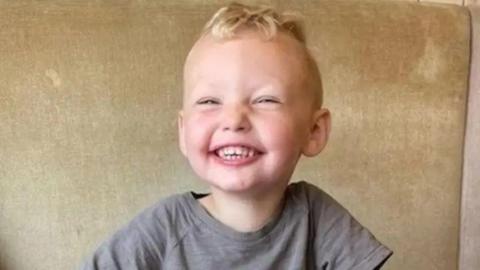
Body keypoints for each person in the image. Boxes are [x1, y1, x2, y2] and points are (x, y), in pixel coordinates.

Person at [80, 2, 393, 269]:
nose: (233, 119)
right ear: (183, 130)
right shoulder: (163, 228)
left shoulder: (317, 218)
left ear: (314, 131)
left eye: (265, 100)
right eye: (209, 102)